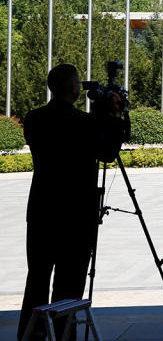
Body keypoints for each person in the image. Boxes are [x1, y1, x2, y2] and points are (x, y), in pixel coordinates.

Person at [17, 64, 125, 341]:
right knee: (69, 282)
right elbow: (108, 152)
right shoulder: (83, 122)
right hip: (77, 212)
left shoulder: (34, 118)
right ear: (75, 88)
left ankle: (30, 334)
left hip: (42, 208)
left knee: (37, 278)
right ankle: (64, 336)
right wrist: (113, 115)